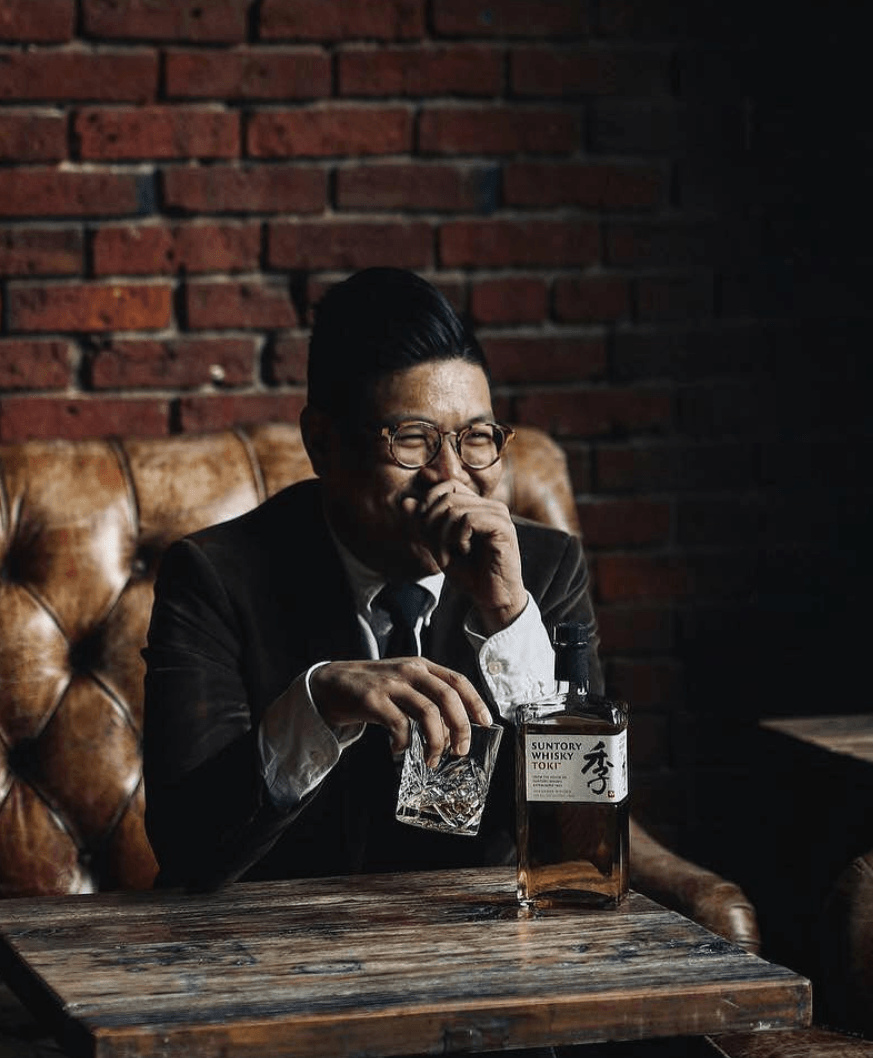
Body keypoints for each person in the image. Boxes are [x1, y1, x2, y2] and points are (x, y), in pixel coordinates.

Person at [143, 267, 601, 891]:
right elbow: (186, 848)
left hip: (479, 959)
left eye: (475, 439)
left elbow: (581, 846)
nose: (450, 477)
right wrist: (316, 707)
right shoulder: (218, 577)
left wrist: (510, 623)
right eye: (412, 441)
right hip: (273, 954)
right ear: (323, 444)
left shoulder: (543, 570)